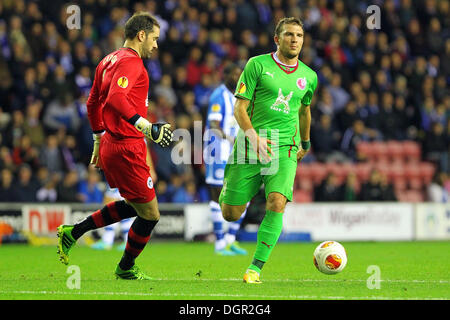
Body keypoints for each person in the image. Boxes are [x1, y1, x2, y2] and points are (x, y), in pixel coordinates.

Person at [56, 12, 173, 280]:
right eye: (154, 38)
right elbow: (116, 99)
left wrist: (98, 139)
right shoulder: (132, 63)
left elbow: (92, 102)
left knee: (136, 205)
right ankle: (125, 267)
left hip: (111, 143)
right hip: (126, 145)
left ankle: (73, 232)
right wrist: (148, 127)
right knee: (151, 215)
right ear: (141, 35)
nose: (156, 45)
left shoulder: (107, 60)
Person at [218, 17, 318, 283]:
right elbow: (240, 108)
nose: (294, 39)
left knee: (277, 202)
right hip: (250, 145)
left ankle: (255, 268)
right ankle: (239, 191)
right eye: (288, 35)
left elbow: (304, 111)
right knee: (230, 214)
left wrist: (305, 142)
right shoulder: (256, 65)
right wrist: (254, 137)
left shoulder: (309, 77)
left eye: (299, 35)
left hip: (285, 147)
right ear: (277, 39)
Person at [204, 63, 248, 256]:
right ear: (227, 75)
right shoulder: (218, 95)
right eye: (236, 74)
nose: (239, 78)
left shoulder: (240, 98)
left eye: (241, 75)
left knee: (244, 194)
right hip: (218, 152)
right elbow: (214, 123)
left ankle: (231, 239)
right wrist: (229, 138)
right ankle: (220, 243)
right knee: (217, 195)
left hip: (237, 154)